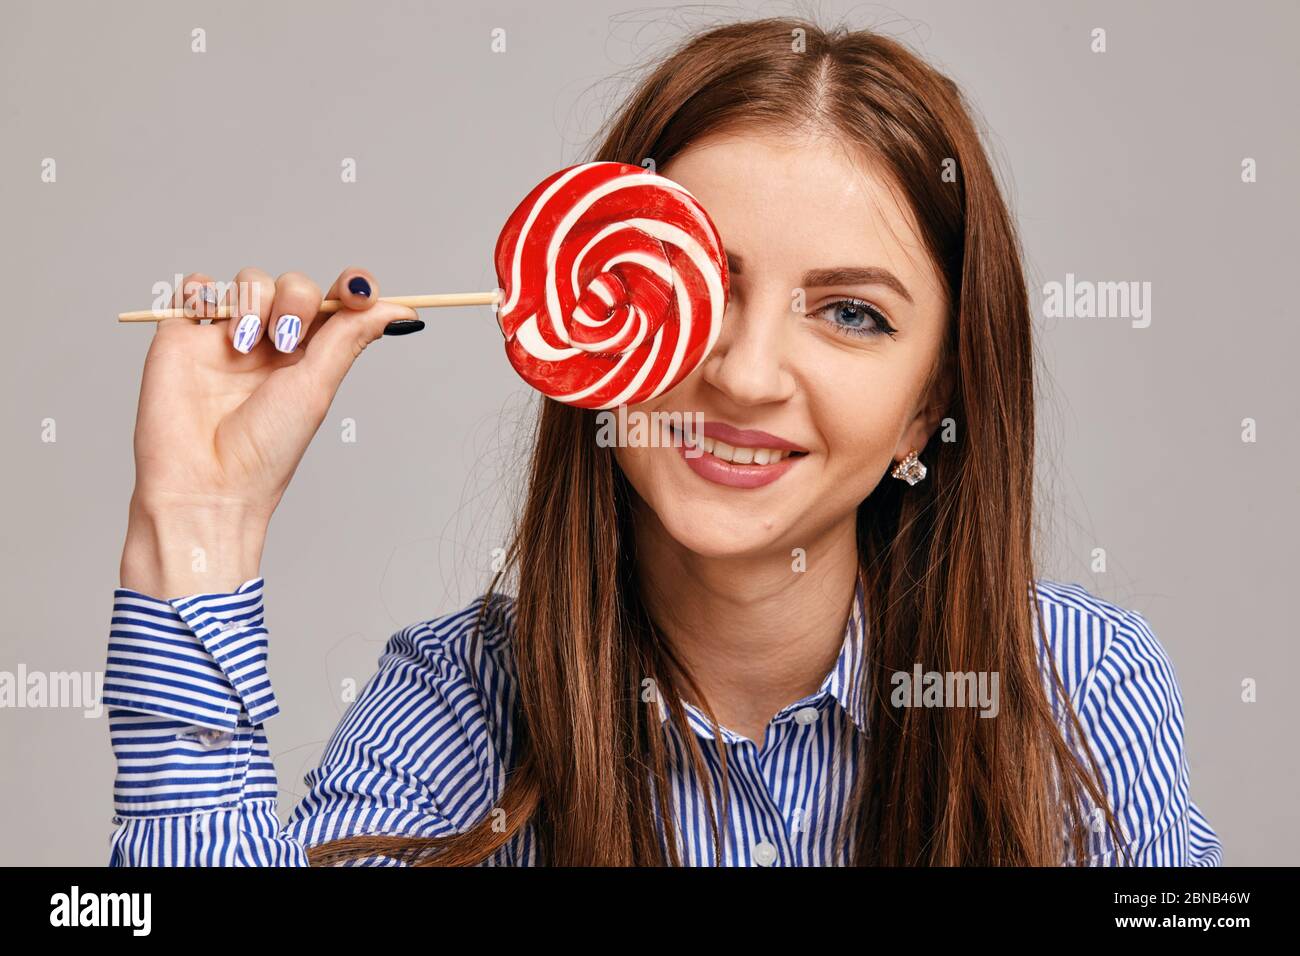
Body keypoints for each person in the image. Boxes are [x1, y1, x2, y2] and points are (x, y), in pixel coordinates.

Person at [105, 17, 1221, 866]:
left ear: (926, 409)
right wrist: (201, 526)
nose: (740, 374)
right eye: (701, 285)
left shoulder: (1073, 689)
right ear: (591, 316)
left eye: (850, 313)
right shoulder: (459, 705)